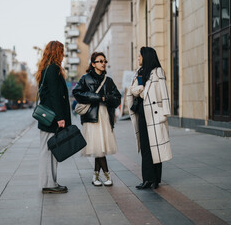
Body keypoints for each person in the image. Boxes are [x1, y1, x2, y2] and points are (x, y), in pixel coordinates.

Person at [126, 46, 173, 190]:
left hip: (155, 115)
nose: (138, 58)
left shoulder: (158, 71)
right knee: (146, 147)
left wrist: (165, 114)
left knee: (156, 146)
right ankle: (147, 178)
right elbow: (132, 89)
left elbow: (164, 93)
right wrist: (141, 89)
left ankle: (155, 179)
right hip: (142, 114)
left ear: (146, 57)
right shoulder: (139, 72)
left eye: (140, 56)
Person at [73, 52, 121, 186]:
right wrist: (97, 97)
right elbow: (77, 93)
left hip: (105, 116)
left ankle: (95, 176)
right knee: (98, 147)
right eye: (100, 61)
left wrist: (106, 98)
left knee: (100, 147)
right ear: (93, 64)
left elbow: (117, 98)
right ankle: (107, 175)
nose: (103, 63)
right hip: (91, 117)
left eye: (104, 61)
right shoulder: (85, 78)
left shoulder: (109, 81)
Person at [35, 40, 71, 194]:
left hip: (48, 117)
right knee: (48, 151)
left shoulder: (46, 69)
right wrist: (60, 118)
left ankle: (50, 182)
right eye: (61, 52)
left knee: (48, 150)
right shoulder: (52, 69)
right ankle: (49, 184)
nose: (63, 55)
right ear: (57, 52)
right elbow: (56, 96)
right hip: (52, 118)